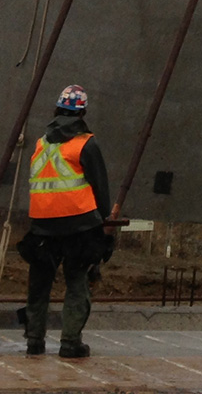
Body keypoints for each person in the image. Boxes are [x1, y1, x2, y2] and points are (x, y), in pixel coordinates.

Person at [19, 84, 112, 358]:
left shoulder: (41, 142)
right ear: (82, 112)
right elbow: (100, 187)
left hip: (42, 226)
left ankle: (34, 340)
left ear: (57, 109)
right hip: (79, 226)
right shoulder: (86, 143)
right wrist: (104, 221)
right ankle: (70, 343)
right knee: (77, 282)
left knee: (39, 283)